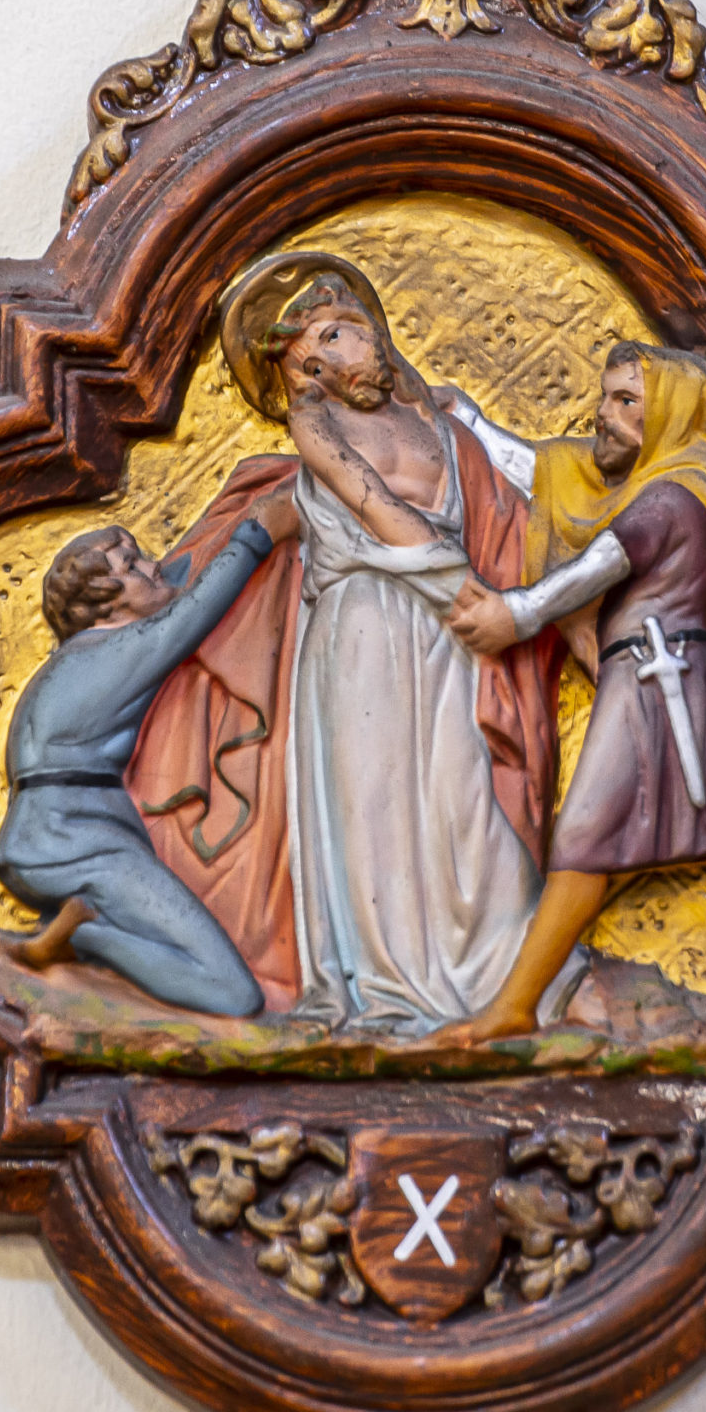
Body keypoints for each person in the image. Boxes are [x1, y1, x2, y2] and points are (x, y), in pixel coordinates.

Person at [156, 250, 560, 1029]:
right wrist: (459, 582)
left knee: (463, 792)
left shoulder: (437, 420)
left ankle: (503, 972)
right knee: (373, 802)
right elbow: (371, 501)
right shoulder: (317, 424)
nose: (336, 357)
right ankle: (384, 990)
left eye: (343, 332)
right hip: (367, 623)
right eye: (313, 355)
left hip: (449, 631)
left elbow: (517, 502)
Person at [432, 343, 706, 1042]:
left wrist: (515, 613)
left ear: (669, 415)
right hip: (671, 680)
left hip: (655, 682)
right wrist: (470, 422)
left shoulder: (669, 496)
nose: (602, 414)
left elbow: (598, 564)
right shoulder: (665, 487)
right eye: (604, 396)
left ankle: (514, 1006)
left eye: (626, 402)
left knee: (590, 834)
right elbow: (548, 476)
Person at [0, 489, 299, 1017]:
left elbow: (180, 575)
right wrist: (255, 535)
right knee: (233, 994)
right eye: (132, 566)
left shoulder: (74, 662)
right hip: (76, 844)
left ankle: (75, 930)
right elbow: (188, 616)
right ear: (106, 599)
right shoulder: (116, 652)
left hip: (41, 841)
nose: (154, 567)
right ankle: (81, 936)